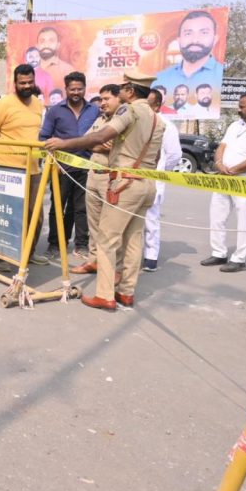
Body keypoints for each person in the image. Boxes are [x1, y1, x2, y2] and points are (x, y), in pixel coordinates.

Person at [44, 71, 165, 311]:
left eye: (123, 88)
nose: (120, 92)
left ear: (130, 90)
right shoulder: (156, 118)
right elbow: (157, 155)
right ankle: (126, 293)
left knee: (107, 240)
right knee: (133, 239)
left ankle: (105, 295)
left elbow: (101, 136)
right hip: (146, 183)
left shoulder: (129, 111)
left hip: (125, 184)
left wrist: (63, 144)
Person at [0, 64, 49, 266]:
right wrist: (3, 152)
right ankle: (4, 256)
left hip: (33, 170)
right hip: (8, 171)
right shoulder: (4, 104)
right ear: (15, 83)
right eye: (22, 83)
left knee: (35, 216)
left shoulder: (38, 104)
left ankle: (29, 253)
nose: (26, 86)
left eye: (30, 82)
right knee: (8, 216)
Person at [201, 91, 246, 273]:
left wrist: (233, 170)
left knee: (245, 220)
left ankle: (239, 259)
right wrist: (219, 164)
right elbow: (222, 147)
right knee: (217, 216)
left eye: (242, 106)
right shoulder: (234, 126)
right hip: (224, 178)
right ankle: (219, 253)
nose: (238, 109)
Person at [39, 71, 100, 259]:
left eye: (79, 89)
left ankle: (81, 245)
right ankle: (55, 244)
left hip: (86, 167)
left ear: (85, 89)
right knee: (58, 207)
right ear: (66, 89)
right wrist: (53, 162)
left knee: (81, 208)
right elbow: (43, 138)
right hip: (61, 169)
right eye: (72, 89)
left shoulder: (94, 111)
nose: (76, 92)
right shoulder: (55, 111)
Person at [72, 84, 122, 275]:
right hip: (93, 175)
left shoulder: (123, 121)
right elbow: (87, 141)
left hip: (112, 178)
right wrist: (98, 144)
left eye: (107, 99)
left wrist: (96, 143)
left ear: (119, 98)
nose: (102, 103)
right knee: (94, 224)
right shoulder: (101, 119)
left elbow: (116, 148)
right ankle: (93, 261)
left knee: (112, 227)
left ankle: (114, 267)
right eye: (101, 99)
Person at [142, 88, 182, 272]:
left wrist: (161, 172)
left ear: (157, 105)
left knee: (151, 220)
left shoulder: (167, 126)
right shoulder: (137, 122)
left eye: (148, 104)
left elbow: (174, 155)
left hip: (154, 180)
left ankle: (150, 257)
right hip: (132, 179)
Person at [152, 10, 225, 97]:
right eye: (188, 34)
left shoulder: (223, 75)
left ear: (215, 39)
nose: (195, 40)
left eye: (204, 33)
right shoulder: (160, 78)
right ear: (179, 40)